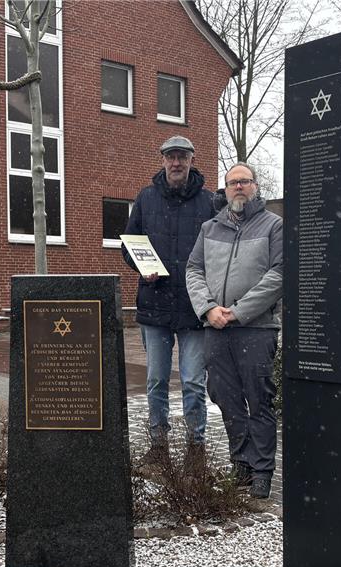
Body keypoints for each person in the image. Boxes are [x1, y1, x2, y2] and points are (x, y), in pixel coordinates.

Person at [185, 162, 283, 499]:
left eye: (244, 181)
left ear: (255, 186)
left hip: (256, 329)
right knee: (226, 398)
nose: (238, 187)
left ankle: (262, 470)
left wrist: (238, 312)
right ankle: (240, 462)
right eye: (232, 183)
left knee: (259, 400)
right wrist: (208, 308)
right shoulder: (209, 228)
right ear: (224, 190)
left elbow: (279, 274)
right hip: (215, 329)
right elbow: (194, 269)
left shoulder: (274, 226)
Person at [123, 135, 214, 470]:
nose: (176, 163)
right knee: (156, 380)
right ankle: (158, 447)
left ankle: (196, 448)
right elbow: (129, 245)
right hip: (155, 304)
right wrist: (141, 266)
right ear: (162, 160)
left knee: (192, 381)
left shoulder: (210, 202)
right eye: (170, 157)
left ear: (192, 160)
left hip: (194, 307)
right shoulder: (146, 199)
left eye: (182, 157)